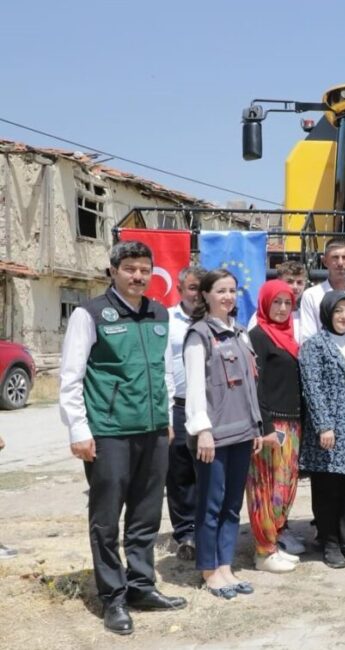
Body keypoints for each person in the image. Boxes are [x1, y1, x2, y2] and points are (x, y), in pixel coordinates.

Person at [59, 241, 186, 634]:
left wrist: (165, 419)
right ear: (113, 270)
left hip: (152, 431)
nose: (138, 276)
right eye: (130, 268)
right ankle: (112, 597)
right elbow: (71, 377)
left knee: (146, 515)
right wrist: (79, 430)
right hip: (109, 432)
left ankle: (141, 586)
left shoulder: (158, 312)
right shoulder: (90, 314)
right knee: (106, 519)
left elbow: (164, 371)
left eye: (144, 269)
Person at [183, 269, 263, 599]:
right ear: (204, 295)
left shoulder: (241, 333)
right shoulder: (198, 335)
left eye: (232, 291)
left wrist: (257, 426)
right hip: (213, 436)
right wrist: (202, 430)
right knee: (211, 504)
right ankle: (208, 569)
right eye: (220, 291)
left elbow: (250, 387)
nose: (228, 297)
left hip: (243, 431)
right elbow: (195, 388)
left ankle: (226, 565)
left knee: (232, 505)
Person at [298, 292, 345, 569]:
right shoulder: (315, 345)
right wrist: (324, 425)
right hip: (330, 430)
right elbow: (312, 388)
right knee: (327, 489)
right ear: (327, 312)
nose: (344, 316)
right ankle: (328, 542)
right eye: (338, 310)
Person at [246, 280, 304, 574]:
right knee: (265, 488)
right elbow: (255, 385)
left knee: (285, 486)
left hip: (292, 423)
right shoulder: (258, 336)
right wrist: (265, 426)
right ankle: (263, 551)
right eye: (276, 302)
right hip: (271, 425)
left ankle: (275, 540)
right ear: (265, 303)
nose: (282, 308)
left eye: (287, 303)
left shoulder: (289, 336)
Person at [166, 265, 203, 562]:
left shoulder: (219, 321)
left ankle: (206, 527)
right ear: (180, 289)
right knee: (179, 474)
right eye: (192, 288)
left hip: (211, 409)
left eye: (203, 289)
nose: (198, 294)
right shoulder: (166, 319)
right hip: (178, 406)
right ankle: (185, 532)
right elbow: (162, 366)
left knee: (209, 471)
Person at [246, 260, 307, 339]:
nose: (295, 287)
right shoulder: (261, 316)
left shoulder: (305, 315)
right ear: (279, 281)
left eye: (299, 282)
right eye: (290, 281)